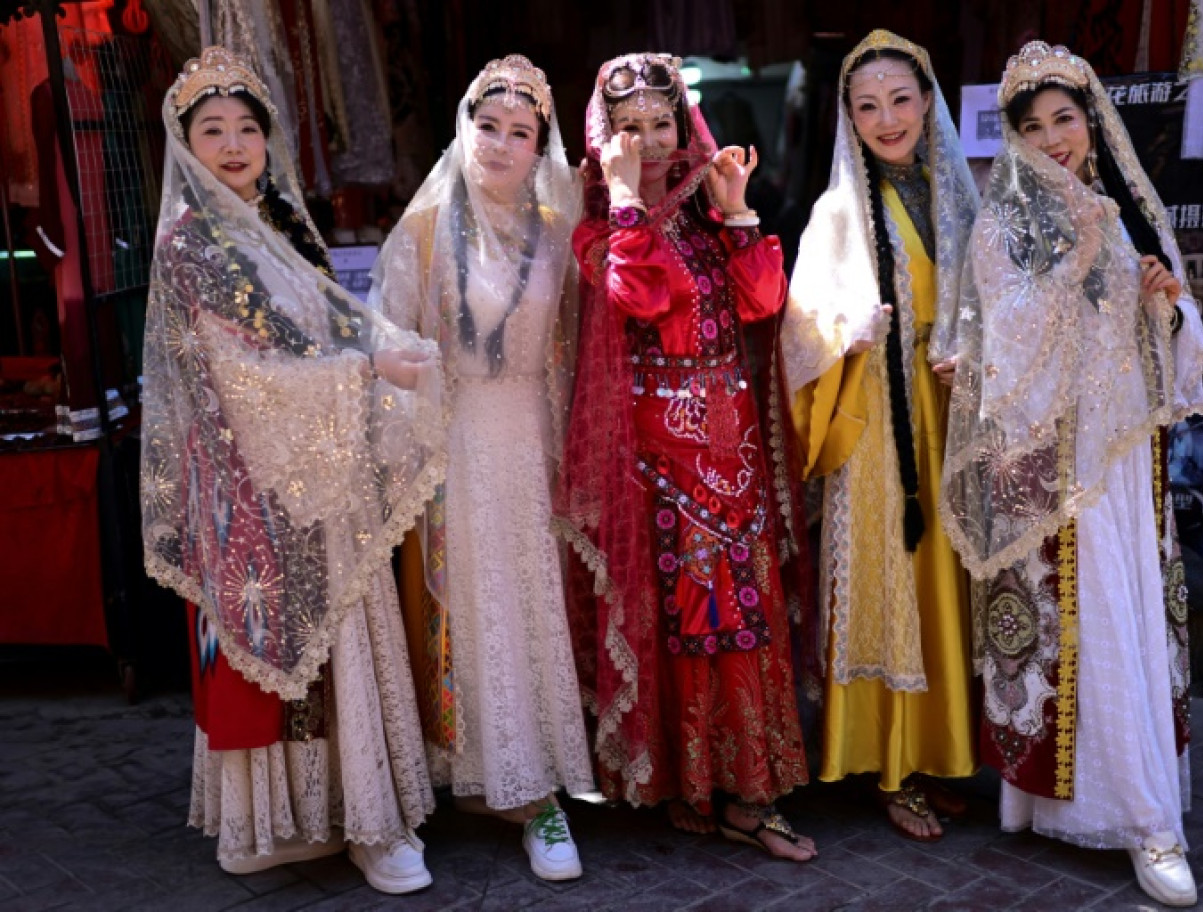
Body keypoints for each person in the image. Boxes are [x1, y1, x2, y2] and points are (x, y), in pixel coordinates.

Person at [141, 47, 443, 894]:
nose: (234, 145)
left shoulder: (279, 225)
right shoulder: (190, 246)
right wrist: (368, 376)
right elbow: (244, 379)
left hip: (323, 466)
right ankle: (284, 822)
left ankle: (369, 821)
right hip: (250, 484)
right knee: (284, 653)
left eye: (248, 129)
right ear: (184, 146)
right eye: (213, 131)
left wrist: (380, 348)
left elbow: (331, 330)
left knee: (344, 639)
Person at [939, 41, 1203, 907]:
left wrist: (1166, 305)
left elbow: (1172, 349)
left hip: (1125, 462)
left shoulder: (1123, 208)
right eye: (1033, 125)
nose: (1054, 137)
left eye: (1066, 118)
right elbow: (1003, 349)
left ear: (1091, 124)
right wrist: (1078, 267)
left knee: (1124, 621)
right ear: (1013, 138)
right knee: (1078, 626)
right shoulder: (1005, 219)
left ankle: (1144, 813)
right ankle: (1109, 813)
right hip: (1058, 464)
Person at [555, 52, 816, 862]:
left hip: (730, 447)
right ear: (603, 138)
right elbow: (642, 297)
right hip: (658, 458)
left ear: (685, 123)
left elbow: (764, 301)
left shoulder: (710, 213)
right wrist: (630, 198)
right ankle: (689, 782)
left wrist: (738, 214)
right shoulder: (599, 228)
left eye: (662, 124)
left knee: (741, 614)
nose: (649, 141)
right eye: (627, 128)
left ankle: (747, 788)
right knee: (686, 621)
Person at [369, 55, 593, 882]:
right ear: (462, 130)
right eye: (486, 125)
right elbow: (383, 342)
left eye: (520, 132)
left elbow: (582, 351)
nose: (499, 144)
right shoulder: (420, 234)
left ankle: (536, 791)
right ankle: (467, 773)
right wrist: (412, 381)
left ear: (541, 148)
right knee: (467, 605)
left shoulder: (560, 232)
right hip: (454, 442)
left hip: (534, 441)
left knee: (531, 605)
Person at [782, 29, 982, 843]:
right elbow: (798, 334)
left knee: (951, 585)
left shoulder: (967, 198)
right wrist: (846, 336)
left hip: (952, 415)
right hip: (877, 432)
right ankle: (891, 767)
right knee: (897, 587)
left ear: (929, 100)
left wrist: (977, 352)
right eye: (867, 105)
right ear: (847, 117)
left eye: (901, 99)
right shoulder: (836, 211)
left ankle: (940, 751)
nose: (887, 117)